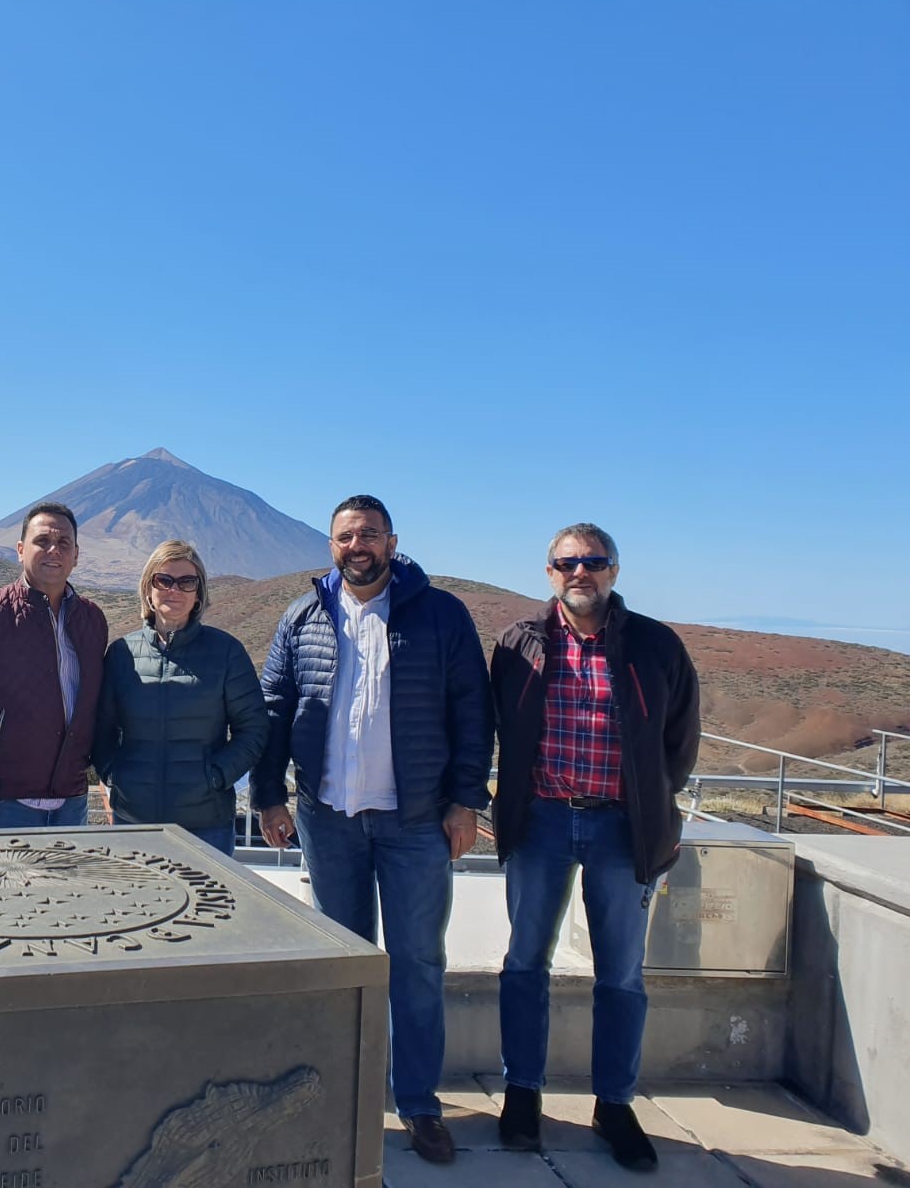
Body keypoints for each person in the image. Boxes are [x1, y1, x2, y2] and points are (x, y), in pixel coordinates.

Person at [251, 494, 493, 1165]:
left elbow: (473, 710)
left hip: (415, 821)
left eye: (369, 535)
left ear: (391, 541)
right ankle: (345, 1098)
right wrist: (268, 795)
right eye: (345, 536)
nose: (357, 546)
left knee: (417, 963)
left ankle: (417, 1103)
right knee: (342, 967)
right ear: (330, 545)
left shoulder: (440, 614)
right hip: (327, 819)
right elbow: (274, 710)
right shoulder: (303, 616)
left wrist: (465, 801)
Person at [490, 523, 700, 1172]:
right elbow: (495, 726)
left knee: (621, 974)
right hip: (541, 822)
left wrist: (653, 805)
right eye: (566, 563)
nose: (579, 572)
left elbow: (680, 742)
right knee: (525, 962)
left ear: (613, 570)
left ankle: (614, 1104)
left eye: (593, 561)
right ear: (549, 572)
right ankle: (522, 1094)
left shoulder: (655, 646)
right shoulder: (519, 643)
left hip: (621, 828)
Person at [0, 501, 108, 828]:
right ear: (21, 550)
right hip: (0, 803)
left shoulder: (92, 619)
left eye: (64, 542)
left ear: (76, 555)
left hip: (72, 801)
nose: (54, 550)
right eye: (42, 541)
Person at [93, 540, 268, 855]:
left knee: (206, 892)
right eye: (164, 580)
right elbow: (101, 729)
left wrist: (216, 777)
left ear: (198, 593)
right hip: (134, 819)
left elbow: (253, 728)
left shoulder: (226, 653)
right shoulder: (121, 654)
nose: (174, 590)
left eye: (187, 582)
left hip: (206, 822)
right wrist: (115, 776)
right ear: (148, 589)